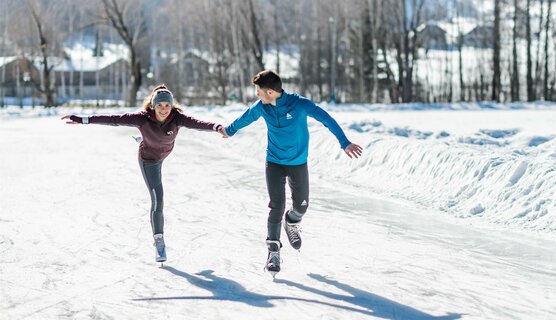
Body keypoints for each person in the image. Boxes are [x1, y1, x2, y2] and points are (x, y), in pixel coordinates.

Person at [218, 70, 363, 277]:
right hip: (274, 162)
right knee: (276, 206)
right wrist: (229, 130)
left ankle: (292, 222)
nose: (256, 95)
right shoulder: (262, 107)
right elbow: (245, 118)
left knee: (301, 206)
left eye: (258, 91)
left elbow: (327, 119)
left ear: (269, 92)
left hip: (297, 163)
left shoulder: (299, 104)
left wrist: (344, 142)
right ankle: (273, 252)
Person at [61, 84, 223, 263]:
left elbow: (198, 124)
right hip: (149, 160)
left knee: (155, 141)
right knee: (158, 198)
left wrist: (216, 127)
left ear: (172, 106)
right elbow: (113, 119)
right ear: (153, 106)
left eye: (167, 105)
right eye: (159, 105)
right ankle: (159, 241)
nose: (163, 109)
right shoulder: (142, 119)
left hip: (164, 151)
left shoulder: (177, 118)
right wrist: (82, 119)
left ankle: (144, 138)